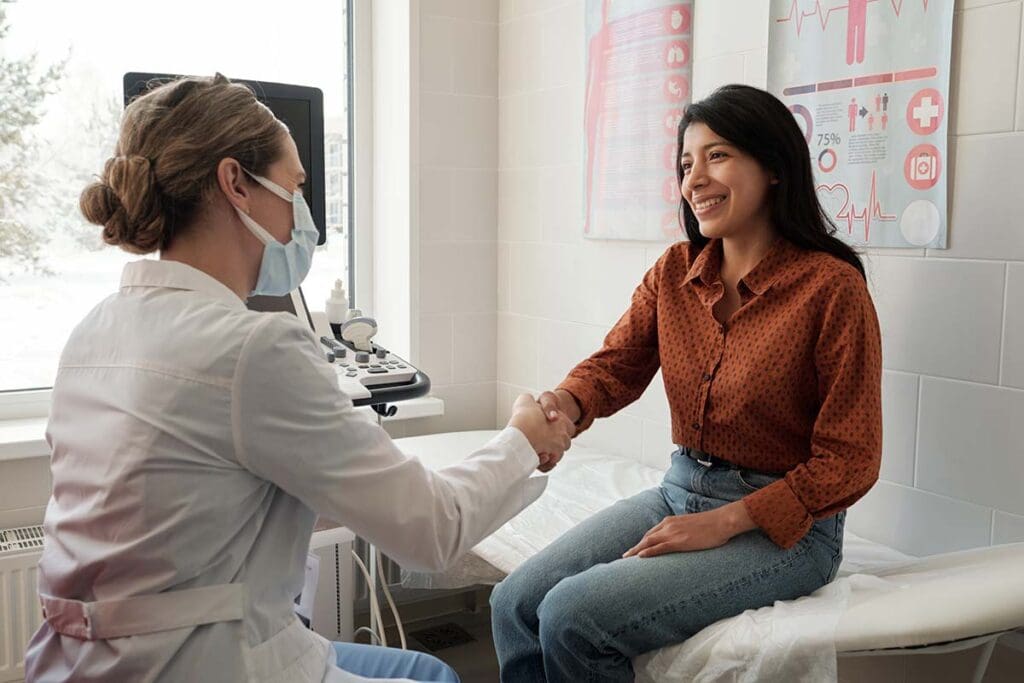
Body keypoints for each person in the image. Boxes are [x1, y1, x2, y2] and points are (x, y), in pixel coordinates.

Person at [24, 74, 575, 683]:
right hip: (199, 662)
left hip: (74, 661)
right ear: (236, 183)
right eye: (294, 187)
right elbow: (430, 529)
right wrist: (523, 439)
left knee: (418, 669)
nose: (303, 216)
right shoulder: (254, 346)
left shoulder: (94, 331)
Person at [492, 84, 883, 682]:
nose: (694, 179)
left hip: (788, 533)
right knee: (514, 605)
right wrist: (564, 406)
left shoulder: (830, 289)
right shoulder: (675, 271)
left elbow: (851, 459)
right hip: (680, 490)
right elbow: (617, 364)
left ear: (775, 167)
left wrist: (723, 522)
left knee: (573, 615)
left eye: (717, 156)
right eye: (685, 163)